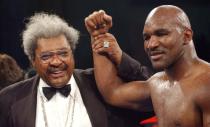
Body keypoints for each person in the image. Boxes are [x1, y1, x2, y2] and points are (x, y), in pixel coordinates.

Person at [0, 12, 152, 127]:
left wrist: (120, 57)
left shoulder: (99, 84)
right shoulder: (9, 99)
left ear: (72, 54)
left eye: (63, 53)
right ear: (33, 61)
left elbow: (153, 91)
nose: (56, 62)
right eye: (46, 56)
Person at [85, 5, 210, 127]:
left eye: (161, 34)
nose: (151, 44)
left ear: (186, 36)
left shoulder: (206, 82)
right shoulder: (157, 84)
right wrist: (99, 35)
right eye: (147, 37)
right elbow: (112, 92)